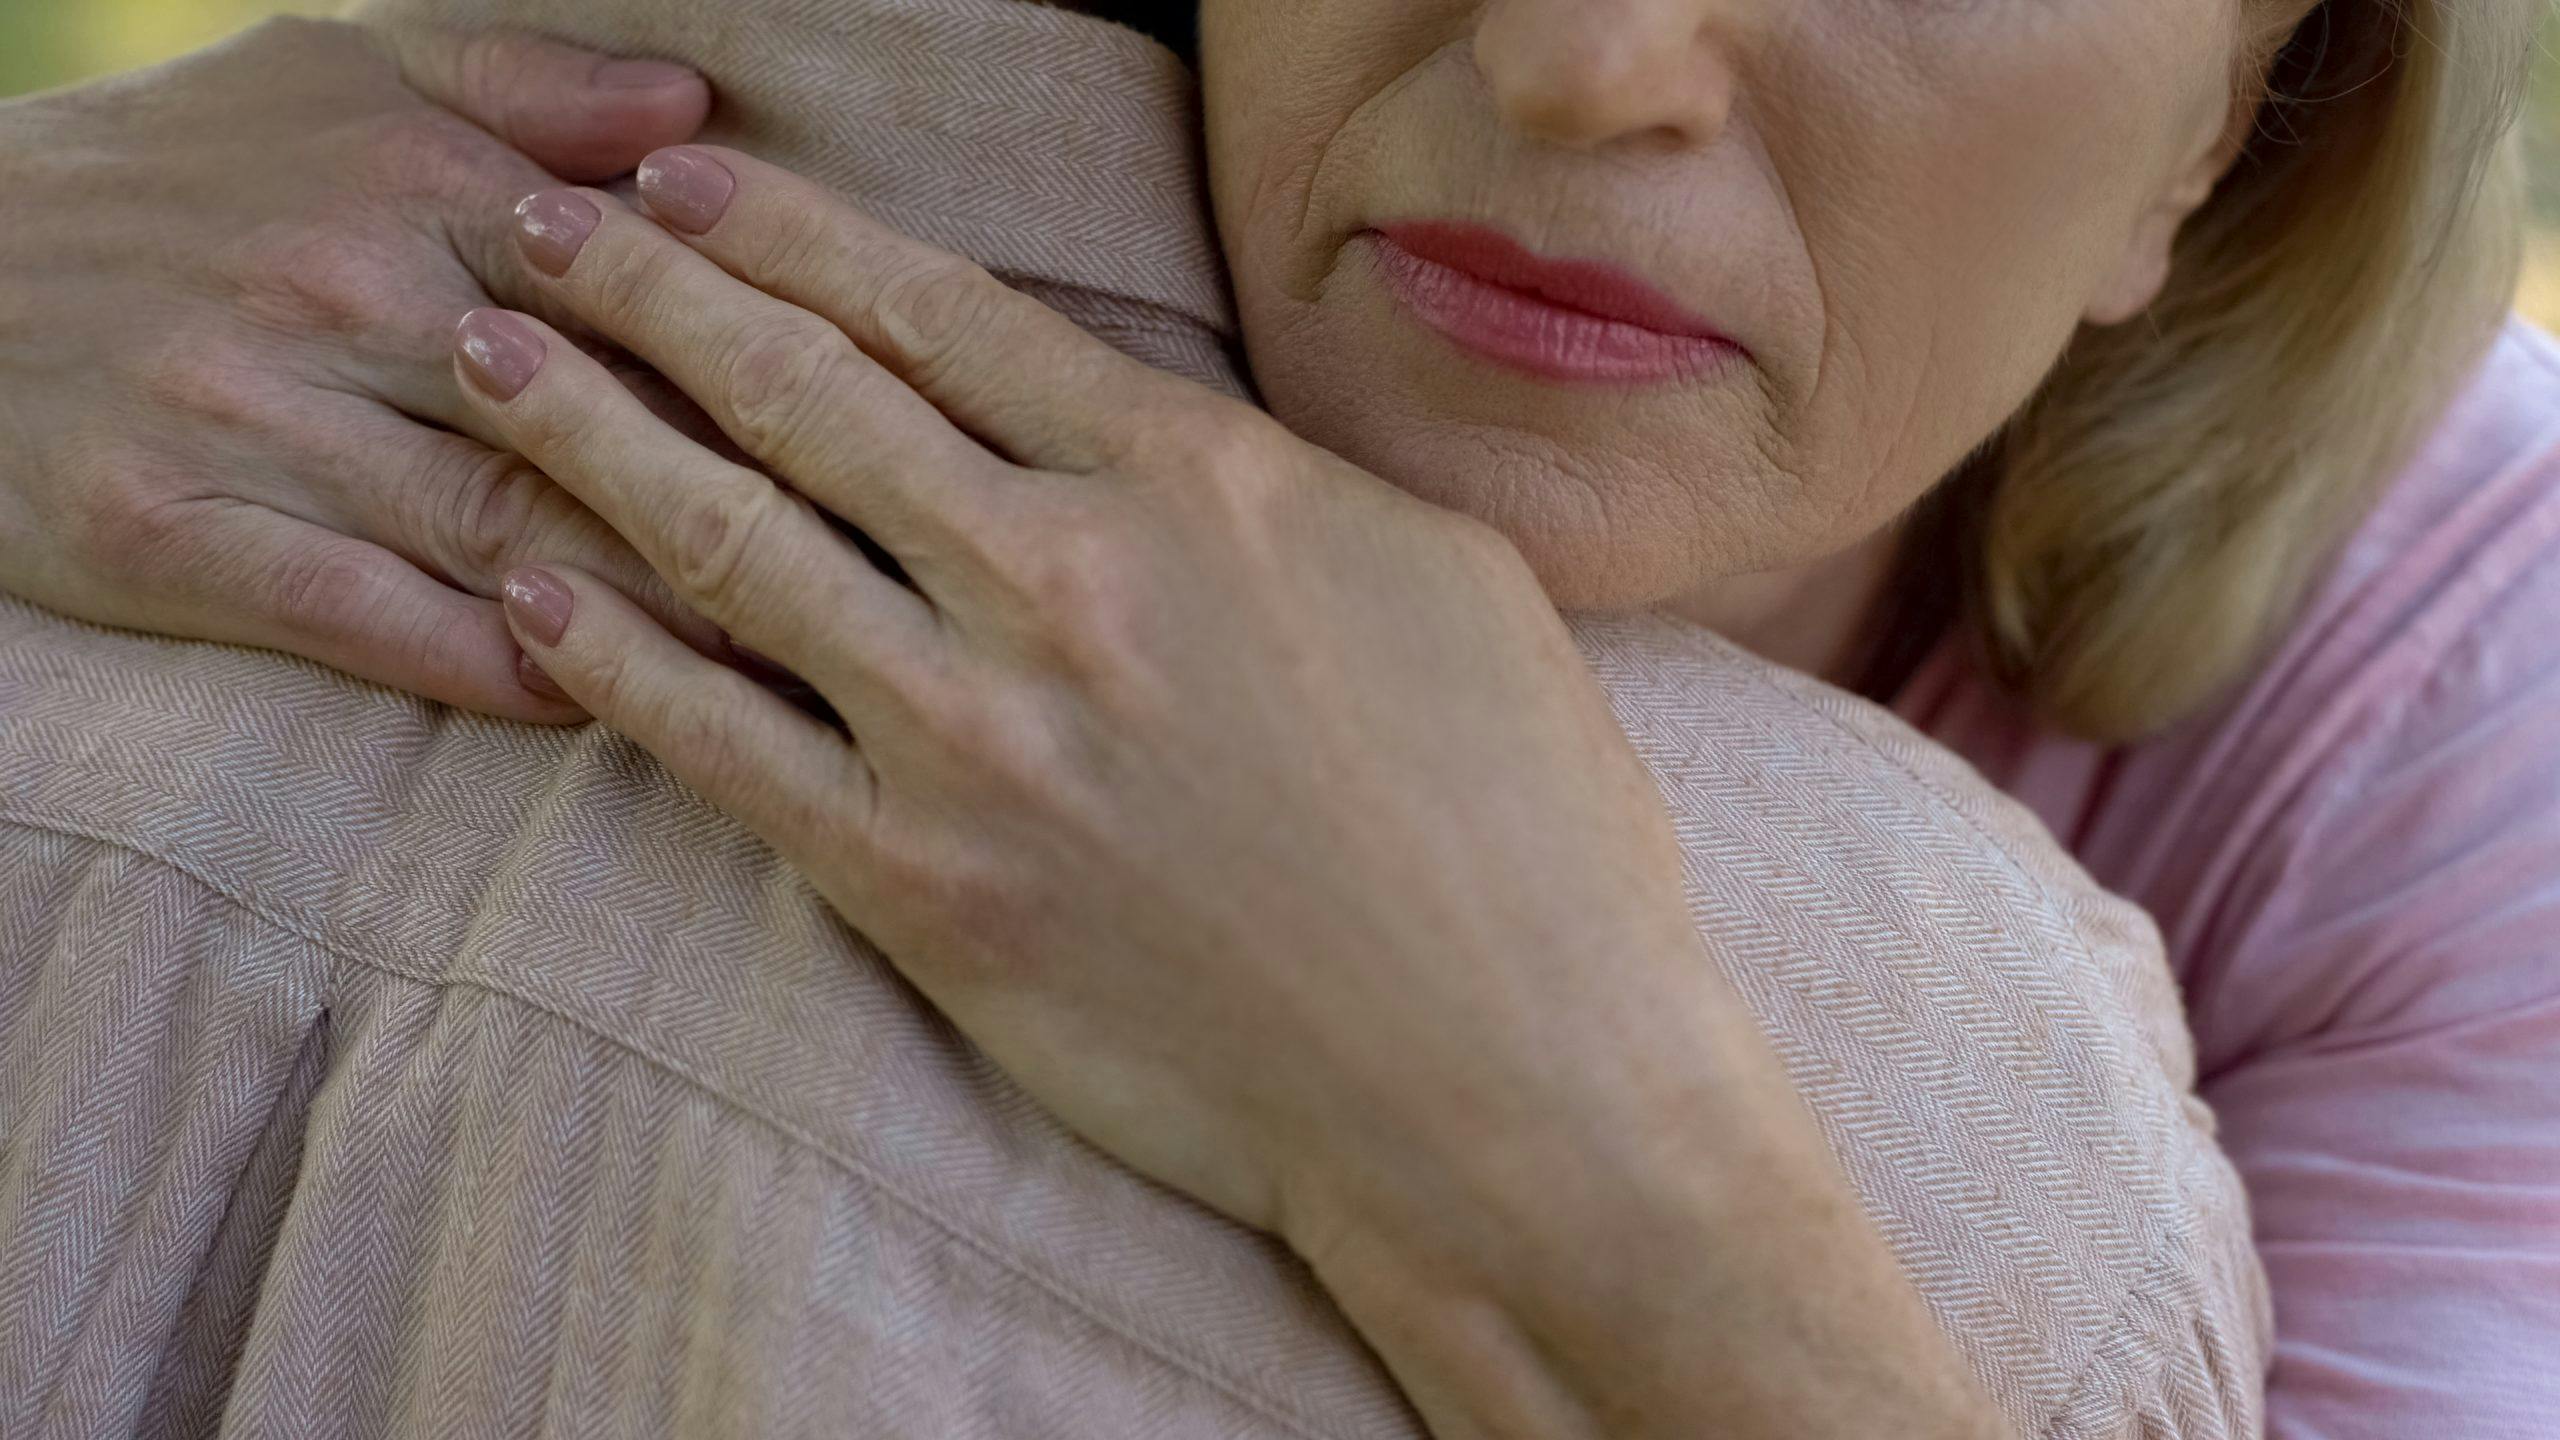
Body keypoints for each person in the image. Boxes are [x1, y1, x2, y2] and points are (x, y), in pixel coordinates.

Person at [0, 0, 2552, 1432]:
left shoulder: (2473, 688)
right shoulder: (421, 270)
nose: (1581, 65)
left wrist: (1562, 1151)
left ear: (2229, 115)